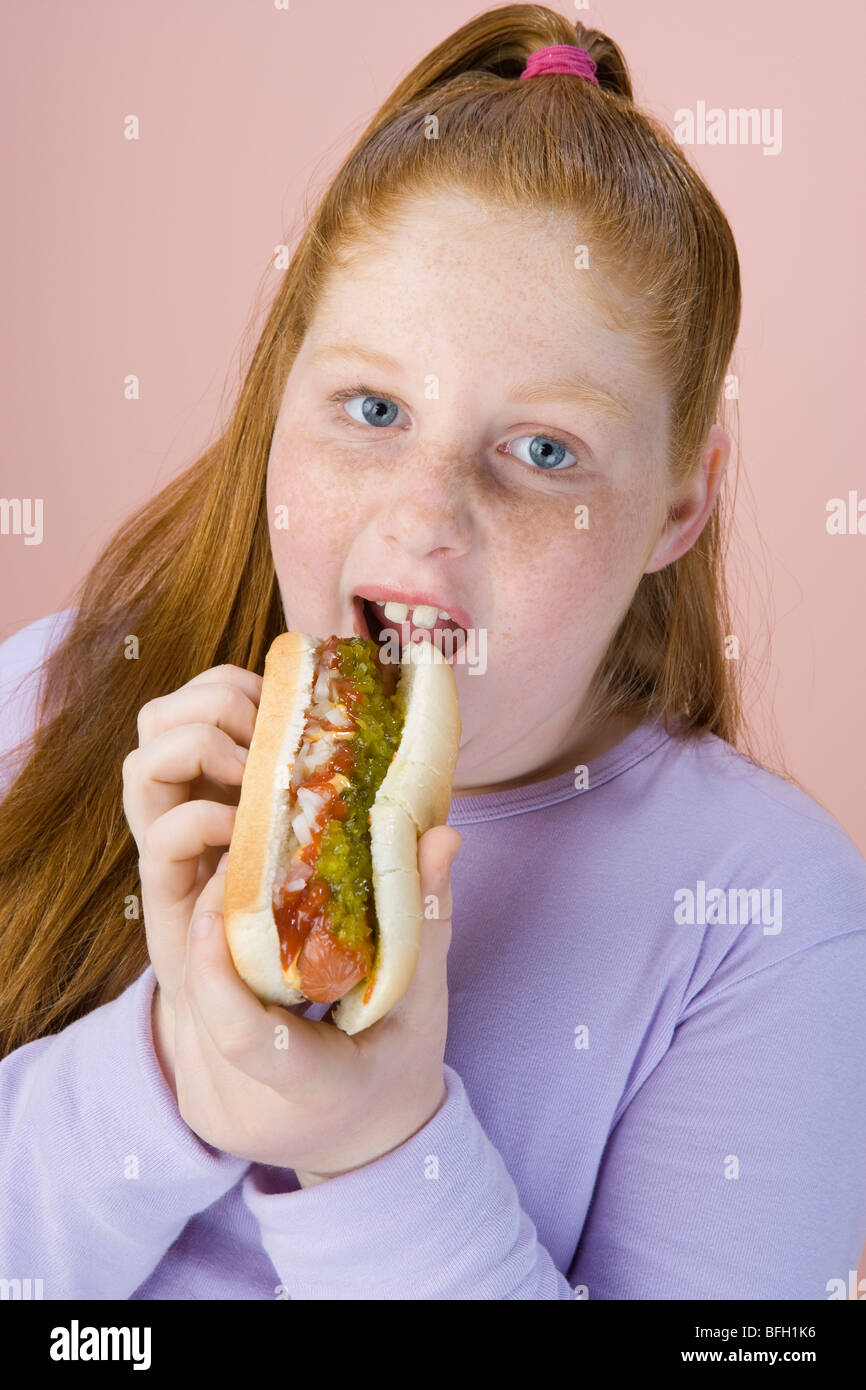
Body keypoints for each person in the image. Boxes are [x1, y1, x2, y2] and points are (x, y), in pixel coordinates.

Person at [1, 7, 864, 1301]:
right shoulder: (55, 691)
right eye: (372, 407)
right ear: (278, 395)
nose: (421, 516)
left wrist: (371, 1146)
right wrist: (166, 1070)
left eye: (543, 451)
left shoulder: (770, 920)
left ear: (680, 503)